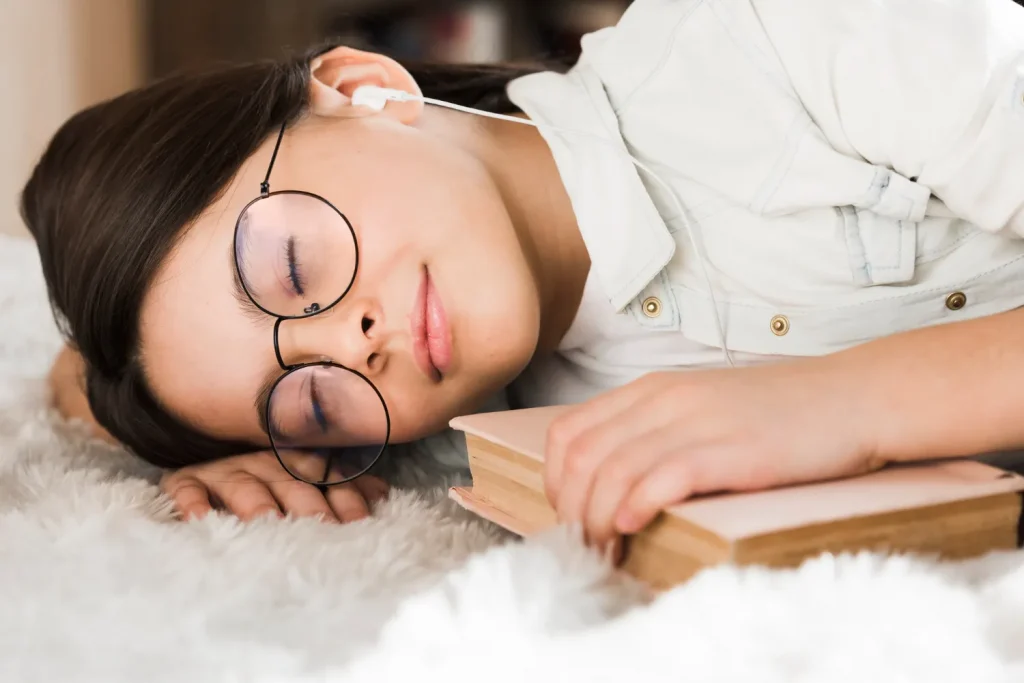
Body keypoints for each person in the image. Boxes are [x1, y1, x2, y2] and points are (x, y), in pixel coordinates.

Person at [24, 0, 1024, 554]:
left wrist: (840, 402)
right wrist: (207, 445)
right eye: (316, 400)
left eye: (292, 265)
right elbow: (82, 386)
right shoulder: (509, 436)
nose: (351, 344)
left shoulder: (776, 40)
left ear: (363, 89)